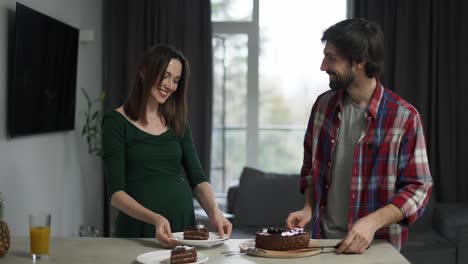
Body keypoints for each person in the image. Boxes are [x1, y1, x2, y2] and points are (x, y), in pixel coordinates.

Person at [286, 18, 433, 254]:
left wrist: (372, 221)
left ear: (359, 61)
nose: (323, 66)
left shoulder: (404, 118)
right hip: (322, 244)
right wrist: (307, 208)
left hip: (377, 248)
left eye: (331, 57)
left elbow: (418, 188)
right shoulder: (322, 107)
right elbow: (310, 168)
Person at [102, 44, 232, 247]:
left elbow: (198, 179)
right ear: (144, 72)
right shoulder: (115, 122)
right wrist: (155, 218)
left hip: (181, 226)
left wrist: (215, 212)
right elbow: (116, 194)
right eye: (165, 75)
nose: (170, 85)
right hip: (140, 228)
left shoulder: (178, 122)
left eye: (176, 80)